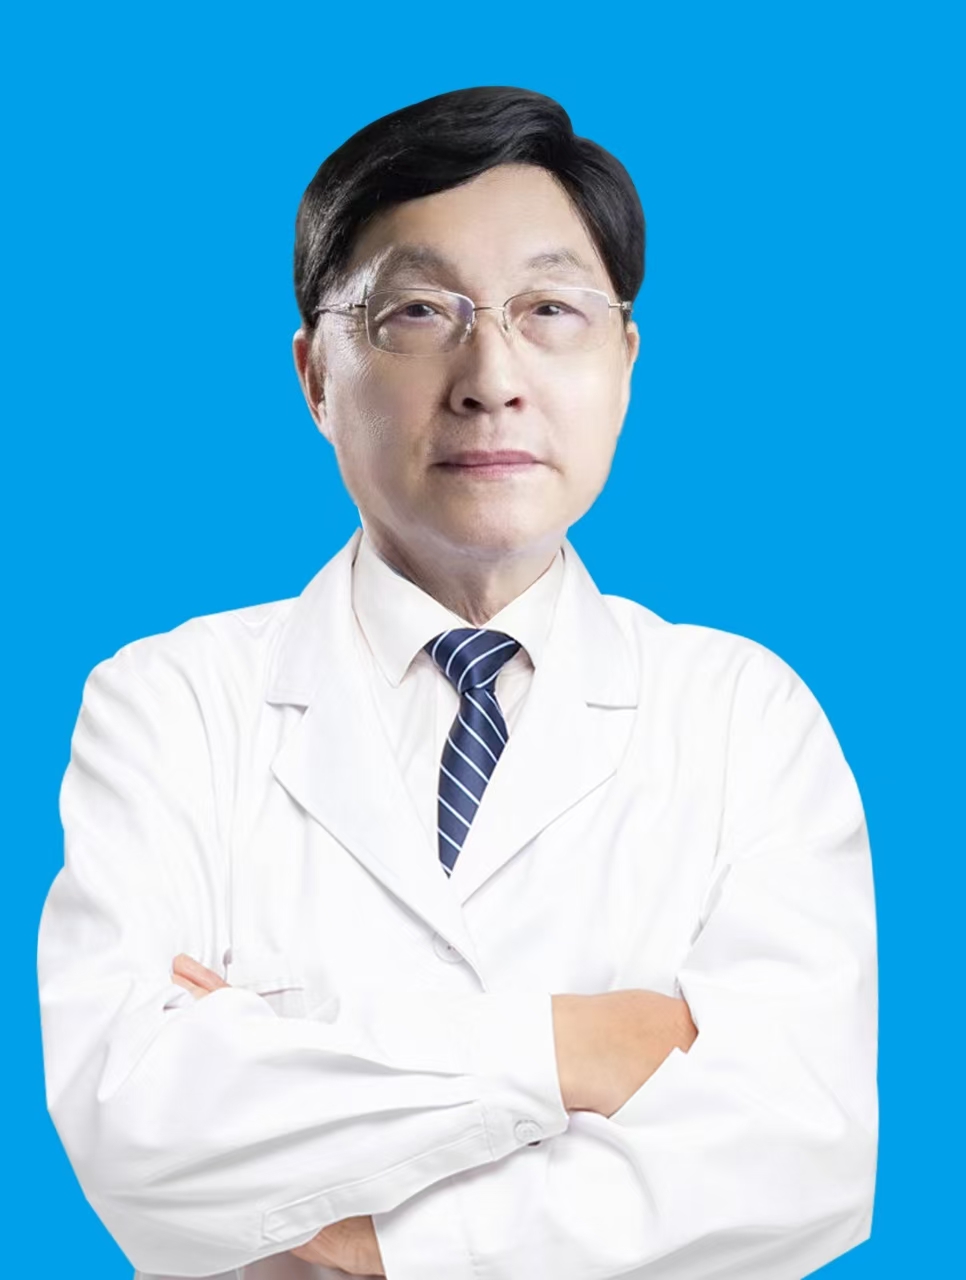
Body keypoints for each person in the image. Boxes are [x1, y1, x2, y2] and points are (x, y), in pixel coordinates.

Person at [37, 86, 878, 1280]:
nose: (492, 377)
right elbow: (134, 1119)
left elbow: (801, 1159)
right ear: (315, 375)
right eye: (420, 312)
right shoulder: (171, 702)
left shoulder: (746, 716)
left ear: (626, 361)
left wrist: (380, 1230)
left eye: (551, 310)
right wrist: (575, 1045)